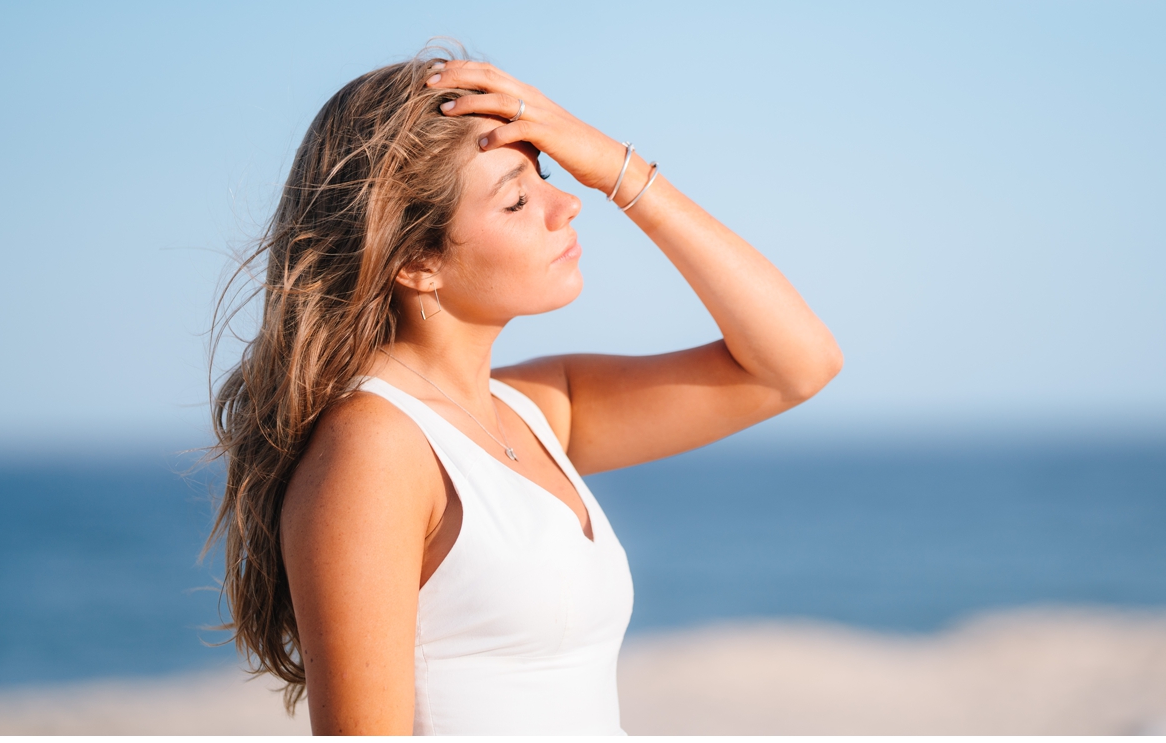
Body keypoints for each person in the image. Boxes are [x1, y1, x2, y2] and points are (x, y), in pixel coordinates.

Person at [209, 48, 842, 735]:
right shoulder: (375, 448)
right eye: (516, 197)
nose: (567, 202)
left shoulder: (533, 409)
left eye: (547, 172)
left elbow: (796, 364)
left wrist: (614, 167)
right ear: (417, 261)